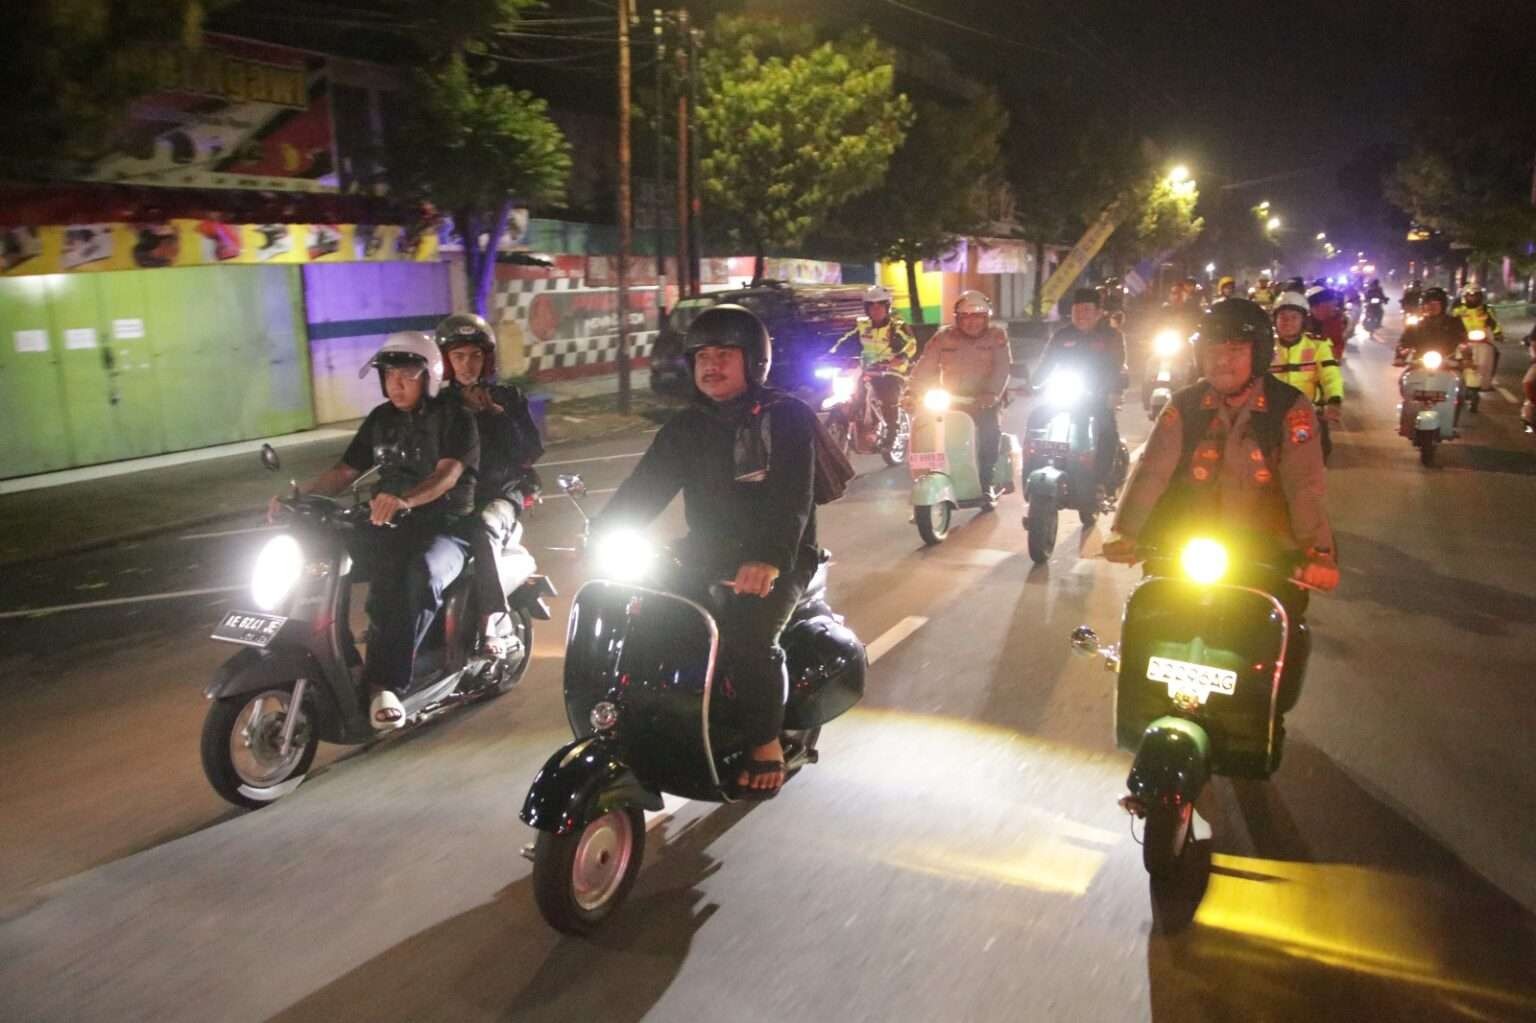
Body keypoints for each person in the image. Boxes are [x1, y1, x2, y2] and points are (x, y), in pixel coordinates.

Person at [594, 304, 821, 799]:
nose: (711, 365)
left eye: (724, 354)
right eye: (702, 357)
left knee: (747, 633)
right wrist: (602, 532)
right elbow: (644, 489)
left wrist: (769, 558)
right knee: (642, 616)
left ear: (754, 361)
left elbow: (792, 499)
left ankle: (764, 743)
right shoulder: (685, 427)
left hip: (778, 557)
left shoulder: (786, 417)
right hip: (704, 551)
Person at [1103, 299, 1338, 714]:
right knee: (1153, 616)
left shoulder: (1291, 410)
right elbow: (1151, 474)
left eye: (1235, 349)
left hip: (1266, 549)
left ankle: (1267, 711)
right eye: (1213, 349)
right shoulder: (1185, 405)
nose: (1222, 360)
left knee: (1280, 632)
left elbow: (1305, 486)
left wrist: (1316, 552)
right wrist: (1127, 532)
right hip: (1186, 541)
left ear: (1259, 353)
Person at [270, 332, 479, 729]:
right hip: (386, 522)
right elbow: (344, 472)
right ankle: (339, 662)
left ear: (429, 377)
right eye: (388, 376)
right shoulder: (382, 419)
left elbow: (447, 475)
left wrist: (405, 500)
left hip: (446, 528)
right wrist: (297, 497)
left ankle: (387, 683)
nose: (395, 384)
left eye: (405, 376)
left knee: (417, 572)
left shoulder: (456, 418)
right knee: (321, 557)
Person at [434, 313, 545, 655]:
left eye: (475, 356)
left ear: (487, 359)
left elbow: (530, 451)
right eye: (459, 356)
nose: (468, 365)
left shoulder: (508, 397)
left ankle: (493, 622)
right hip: (453, 497)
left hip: (500, 493)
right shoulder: (439, 406)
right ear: (447, 362)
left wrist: (496, 414)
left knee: (483, 528)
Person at [910, 289, 1012, 509]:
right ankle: (931, 476)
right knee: (927, 434)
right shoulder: (943, 336)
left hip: (983, 400)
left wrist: (992, 393)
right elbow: (925, 366)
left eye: (977, 316)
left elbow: (1003, 367)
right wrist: (912, 393)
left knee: (988, 433)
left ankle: (985, 483)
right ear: (957, 318)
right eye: (965, 316)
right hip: (950, 399)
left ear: (986, 318)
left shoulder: (996, 336)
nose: (971, 322)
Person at [1035, 288, 1127, 487]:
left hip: (1099, 397)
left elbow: (1117, 367)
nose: (1081, 315)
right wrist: (1032, 383)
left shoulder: (1111, 336)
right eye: (1077, 310)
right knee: (1036, 420)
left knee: (1107, 430)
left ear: (1098, 312)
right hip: (1066, 395)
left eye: (1087, 310)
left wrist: (1113, 391)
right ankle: (1033, 469)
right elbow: (1047, 363)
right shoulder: (1062, 335)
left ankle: (1101, 481)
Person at [827, 284, 918, 444]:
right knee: (854, 390)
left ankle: (892, 430)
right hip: (867, 368)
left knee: (888, 394)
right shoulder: (862, 326)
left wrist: (902, 356)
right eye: (871, 306)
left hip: (891, 371)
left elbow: (911, 343)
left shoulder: (897, 326)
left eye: (880, 306)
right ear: (866, 309)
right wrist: (829, 355)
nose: (876, 310)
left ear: (887, 307)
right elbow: (845, 341)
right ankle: (858, 422)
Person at [1269, 290, 1344, 461]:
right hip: (1273, 414)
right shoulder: (1265, 348)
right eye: (1283, 317)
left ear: (1303, 320)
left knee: (1320, 453)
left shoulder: (1318, 345)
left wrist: (1334, 401)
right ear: (1275, 320)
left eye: (1294, 317)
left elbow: (1330, 375)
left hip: (1309, 412)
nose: (1288, 322)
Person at [1399, 286, 1468, 362]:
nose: (1431, 307)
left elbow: (1464, 341)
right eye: (1428, 304)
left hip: (1449, 363)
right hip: (1419, 364)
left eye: (1435, 304)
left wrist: (1465, 355)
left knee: (1469, 373)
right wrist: (1400, 355)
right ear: (1423, 306)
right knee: (1406, 374)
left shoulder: (1454, 323)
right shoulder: (1416, 325)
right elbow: (1404, 342)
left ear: (1443, 305)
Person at [1452, 285, 1504, 383]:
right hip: (1464, 339)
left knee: (1495, 352)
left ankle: (1488, 379)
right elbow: (1451, 324)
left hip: (1483, 340)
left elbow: (1494, 323)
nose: (1473, 298)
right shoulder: (1458, 310)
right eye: (1470, 296)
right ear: (1465, 297)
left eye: (1476, 296)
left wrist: (1498, 333)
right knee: (1454, 357)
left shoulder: (1486, 309)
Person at [1306, 286, 1351, 363]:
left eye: (1333, 303)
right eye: (1331, 303)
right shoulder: (1303, 321)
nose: (1334, 306)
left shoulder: (1336, 322)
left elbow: (1337, 352)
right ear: (1318, 305)